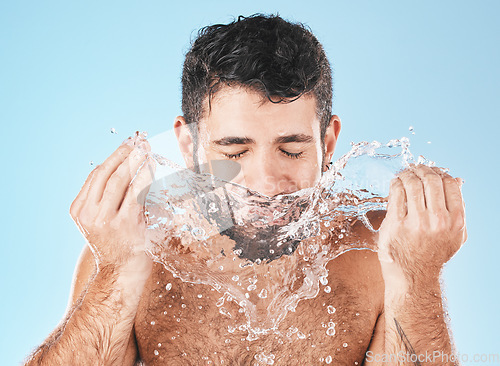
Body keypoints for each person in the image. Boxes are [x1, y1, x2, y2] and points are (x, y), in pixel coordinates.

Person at [25, 14, 467, 365]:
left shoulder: (377, 250)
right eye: (234, 152)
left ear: (328, 144)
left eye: (292, 150)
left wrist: (418, 275)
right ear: (188, 145)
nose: (266, 185)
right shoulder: (140, 246)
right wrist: (115, 274)